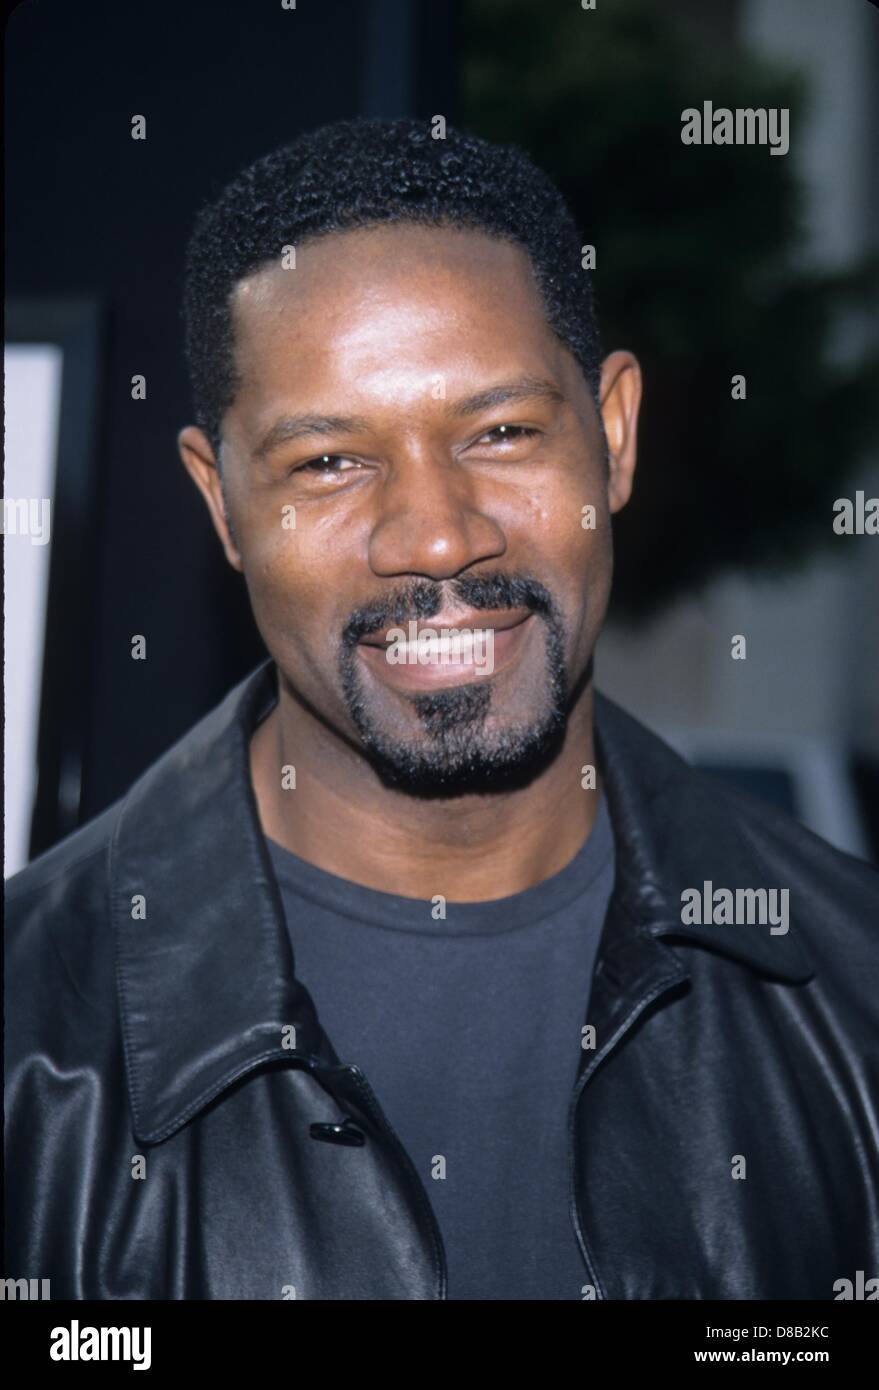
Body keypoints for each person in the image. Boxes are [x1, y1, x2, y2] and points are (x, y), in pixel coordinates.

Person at [6, 118, 879, 1301]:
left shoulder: (852, 981)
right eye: (328, 462)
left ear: (613, 434)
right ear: (222, 505)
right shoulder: (29, 1051)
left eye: (503, 432)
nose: (436, 534)